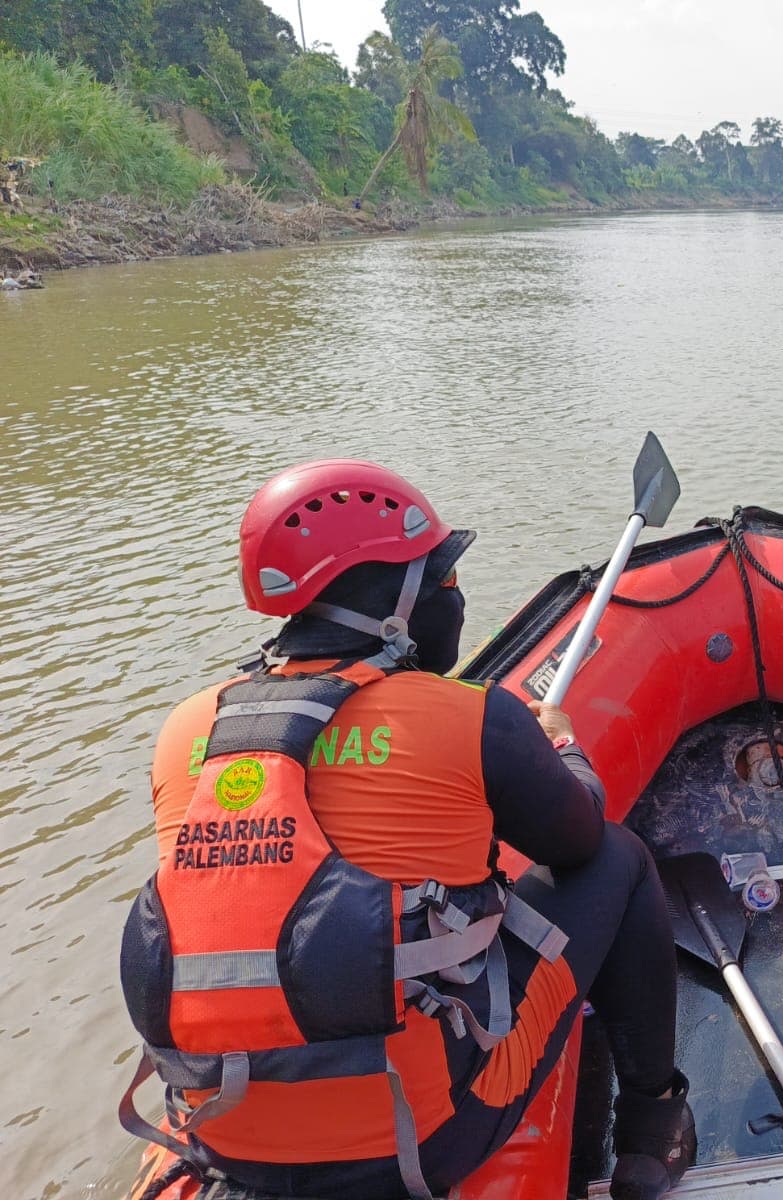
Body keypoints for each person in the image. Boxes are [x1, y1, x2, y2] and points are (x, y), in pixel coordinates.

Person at [119, 460, 694, 1200]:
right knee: (620, 856)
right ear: (398, 598)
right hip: (418, 1141)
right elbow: (577, 840)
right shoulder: (470, 715)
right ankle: (655, 1128)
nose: (454, 595)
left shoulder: (187, 730)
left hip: (223, 1137)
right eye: (441, 576)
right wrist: (562, 746)